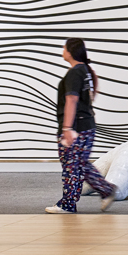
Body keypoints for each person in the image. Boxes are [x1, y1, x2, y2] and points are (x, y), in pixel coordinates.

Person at [47, 38, 116, 213]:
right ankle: (105, 190)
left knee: (72, 165)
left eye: (64, 47)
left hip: (76, 128)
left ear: (70, 51)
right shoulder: (85, 71)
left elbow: (71, 99)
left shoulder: (75, 73)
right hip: (87, 125)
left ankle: (68, 204)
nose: (62, 50)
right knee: (79, 164)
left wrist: (67, 128)